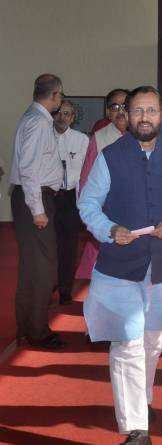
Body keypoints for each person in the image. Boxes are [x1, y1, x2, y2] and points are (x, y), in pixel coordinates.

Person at [78, 86, 162, 445]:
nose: (144, 117)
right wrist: (109, 230)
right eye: (137, 111)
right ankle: (135, 428)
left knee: (152, 341)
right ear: (126, 116)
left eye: (151, 110)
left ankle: (143, 401)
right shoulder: (109, 157)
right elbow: (88, 205)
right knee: (127, 342)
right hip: (119, 268)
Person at [10, 73, 65, 349]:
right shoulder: (38, 122)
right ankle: (37, 331)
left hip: (34, 198)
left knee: (34, 266)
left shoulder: (34, 118)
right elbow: (29, 170)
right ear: (55, 95)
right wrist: (38, 209)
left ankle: (27, 327)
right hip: (36, 199)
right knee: (43, 267)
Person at [75, 88, 129, 281]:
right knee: (104, 257)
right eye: (115, 106)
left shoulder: (143, 135)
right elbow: (86, 178)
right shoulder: (99, 137)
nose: (120, 111)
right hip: (107, 208)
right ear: (108, 112)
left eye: (125, 106)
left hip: (136, 209)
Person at [52, 99, 89, 305]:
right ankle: (48, 283)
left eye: (67, 114)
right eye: (59, 113)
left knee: (68, 247)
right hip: (48, 197)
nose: (62, 117)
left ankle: (65, 289)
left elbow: (86, 171)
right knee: (47, 245)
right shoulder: (44, 138)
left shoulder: (81, 140)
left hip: (70, 198)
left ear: (73, 118)